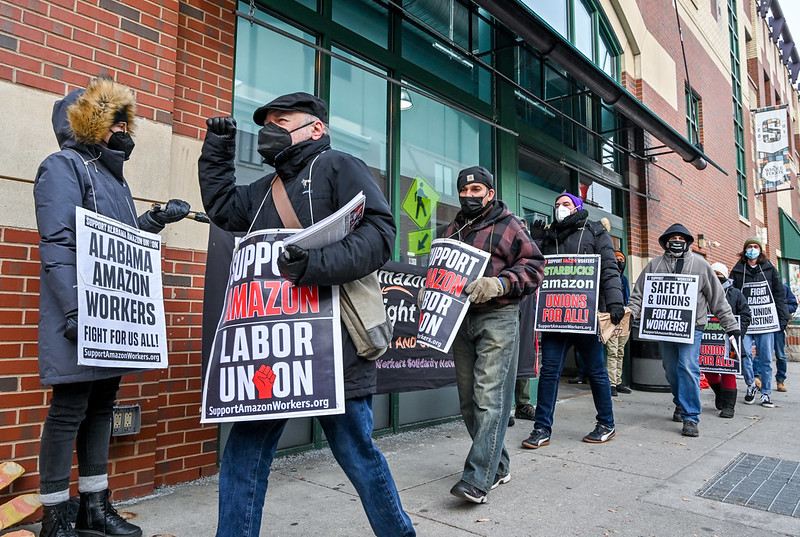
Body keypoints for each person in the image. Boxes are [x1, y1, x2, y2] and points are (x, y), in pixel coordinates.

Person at [198, 92, 415, 536]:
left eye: (282, 120)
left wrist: (314, 265)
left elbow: (379, 233)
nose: (270, 128)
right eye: (265, 123)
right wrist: (216, 152)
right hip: (271, 350)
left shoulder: (339, 166)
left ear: (316, 127)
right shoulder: (263, 190)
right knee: (243, 453)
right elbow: (222, 208)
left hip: (334, 346)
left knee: (357, 452)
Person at [34, 77, 190, 537]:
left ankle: (94, 509)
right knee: (68, 410)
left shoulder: (114, 179)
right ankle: (56, 519)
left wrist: (155, 220)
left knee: (102, 406)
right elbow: (59, 242)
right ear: (90, 124)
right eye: (116, 122)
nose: (126, 130)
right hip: (79, 314)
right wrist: (71, 311)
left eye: (127, 122)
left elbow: (117, 244)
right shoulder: (62, 166)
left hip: (111, 318)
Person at [431, 165, 543, 504]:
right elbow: (443, 267)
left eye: (476, 191)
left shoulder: (510, 225)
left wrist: (500, 283)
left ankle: (477, 479)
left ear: (490, 193)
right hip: (460, 319)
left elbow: (535, 266)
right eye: (464, 191)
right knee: (469, 402)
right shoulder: (454, 227)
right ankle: (500, 465)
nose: (468, 196)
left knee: (489, 399)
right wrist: (431, 287)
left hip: (497, 317)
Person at [522, 193, 625, 451]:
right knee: (549, 373)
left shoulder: (595, 232)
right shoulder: (549, 235)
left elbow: (609, 268)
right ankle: (541, 428)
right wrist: (535, 240)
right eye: (556, 205)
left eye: (565, 204)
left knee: (597, 372)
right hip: (556, 317)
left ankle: (606, 423)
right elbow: (533, 266)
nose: (560, 209)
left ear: (578, 207)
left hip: (585, 316)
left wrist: (614, 302)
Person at [628, 224, 739, 437]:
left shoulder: (701, 265)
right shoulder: (654, 265)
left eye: (681, 237)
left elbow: (717, 298)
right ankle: (680, 402)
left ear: (687, 241)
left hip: (693, 327)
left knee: (688, 367)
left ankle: (690, 417)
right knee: (670, 369)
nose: (676, 240)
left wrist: (731, 326)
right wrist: (630, 313)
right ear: (665, 241)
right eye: (672, 237)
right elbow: (639, 294)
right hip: (664, 327)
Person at [730, 237, 790, 408]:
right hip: (746, 323)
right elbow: (732, 295)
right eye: (749, 246)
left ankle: (766, 393)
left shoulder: (770, 269)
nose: (753, 249)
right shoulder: (737, 270)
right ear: (744, 250)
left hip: (767, 322)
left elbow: (779, 295)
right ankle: (751, 385)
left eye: (756, 246)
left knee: (765, 358)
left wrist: (783, 318)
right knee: (745, 355)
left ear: (761, 250)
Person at [707, 262, 751, 418]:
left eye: (719, 274)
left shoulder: (736, 294)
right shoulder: (703, 291)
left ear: (725, 276)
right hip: (708, 341)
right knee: (708, 371)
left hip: (730, 340)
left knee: (729, 371)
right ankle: (720, 393)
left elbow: (745, 315)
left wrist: (738, 333)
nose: (716, 277)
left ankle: (728, 406)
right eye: (713, 274)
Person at [606, 250, 631, 396]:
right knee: (612, 351)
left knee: (620, 351)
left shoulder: (624, 280)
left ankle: (618, 381)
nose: (619, 261)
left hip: (624, 319)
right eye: (616, 258)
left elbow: (627, 298)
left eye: (621, 259)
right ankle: (611, 384)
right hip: (610, 318)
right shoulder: (608, 277)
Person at [773, 282, 796, 392]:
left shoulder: (783, 287)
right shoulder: (762, 287)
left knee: (780, 355)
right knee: (760, 354)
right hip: (764, 326)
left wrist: (781, 308)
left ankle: (780, 380)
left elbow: (793, 305)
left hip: (779, 326)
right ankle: (758, 379)